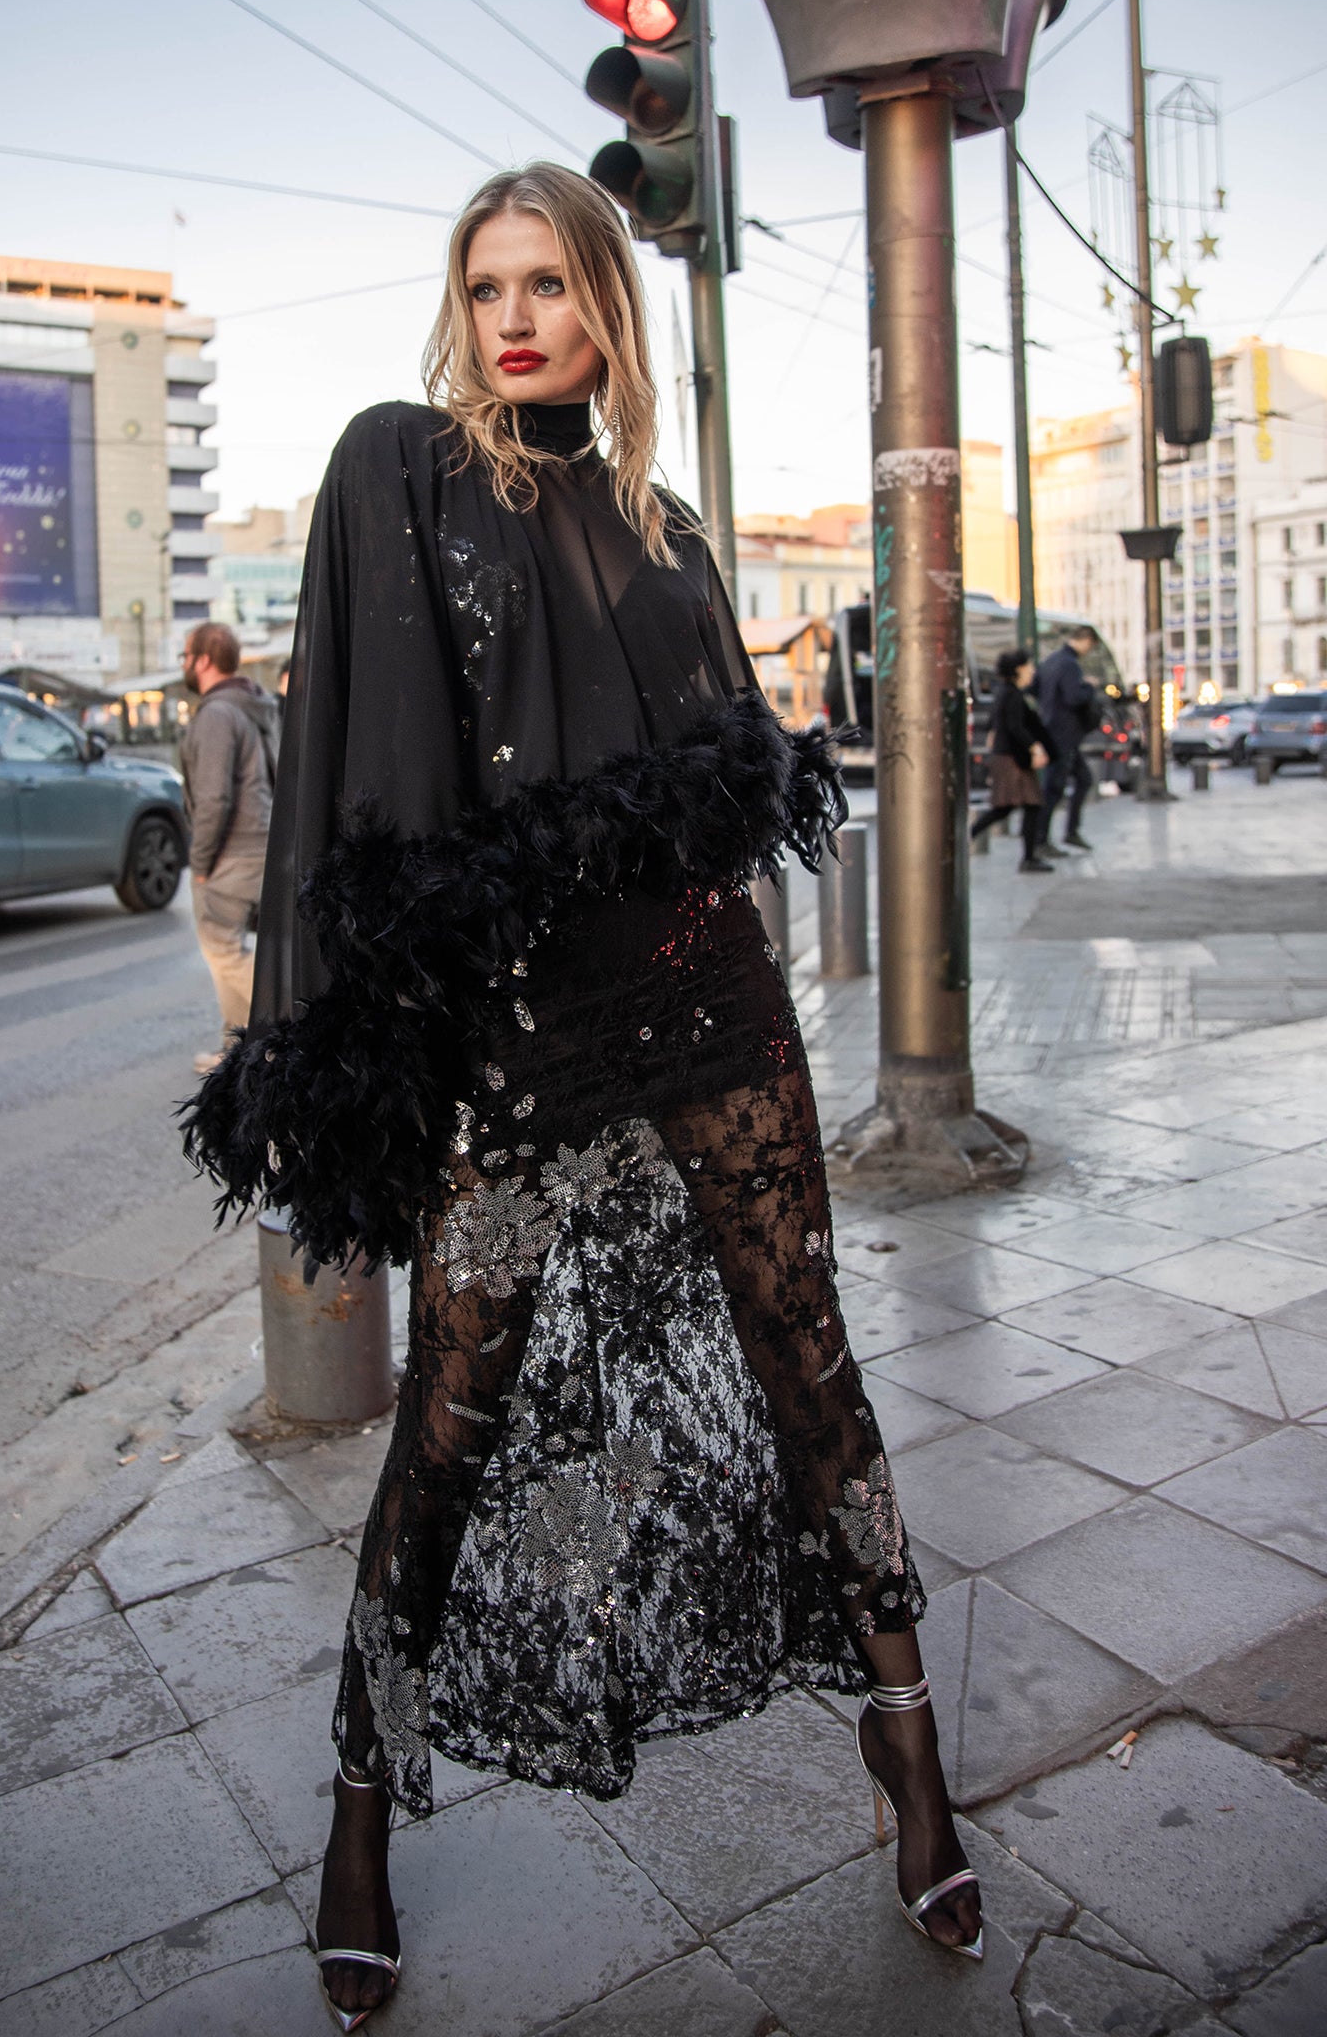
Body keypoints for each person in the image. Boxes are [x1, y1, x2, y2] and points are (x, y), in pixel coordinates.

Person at [184, 165, 982, 2028]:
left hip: (711, 1009)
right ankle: (361, 1808)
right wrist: (396, 1047)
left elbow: (720, 786)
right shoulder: (412, 478)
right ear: (458, 311)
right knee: (451, 1420)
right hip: (529, 1038)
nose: (518, 315)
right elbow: (373, 793)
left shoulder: (670, 523)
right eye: (488, 287)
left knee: (814, 1371)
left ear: (608, 308)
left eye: (552, 283)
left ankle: (911, 1749)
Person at [178, 621, 279, 1075]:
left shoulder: (218, 714)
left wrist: (199, 864)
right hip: (264, 846)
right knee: (239, 946)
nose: (183, 663)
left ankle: (266, 1035)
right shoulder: (258, 706)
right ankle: (242, 1046)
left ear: (203, 659)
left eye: (185, 654)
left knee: (223, 948)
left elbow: (213, 796)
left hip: (231, 853)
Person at [972, 649, 1053, 873]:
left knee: (1010, 807)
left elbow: (995, 723)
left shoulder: (1004, 693)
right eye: (1029, 666)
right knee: (1024, 805)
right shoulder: (1013, 695)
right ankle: (1027, 858)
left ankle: (1027, 856)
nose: (1033, 671)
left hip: (1006, 757)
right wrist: (1035, 747)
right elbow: (1015, 726)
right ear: (1019, 669)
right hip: (1012, 759)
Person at [1035, 625, 1100, 853]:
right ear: (1086, 641)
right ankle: (1041, 840)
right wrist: (1089, 687)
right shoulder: (1069, 665)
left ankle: (1069, 832)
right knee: (1054, 788)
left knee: (1082, 779)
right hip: (1064, 735)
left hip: (1053, 730)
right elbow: (1074, 698)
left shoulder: (1051, 661)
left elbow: (1036, 690)